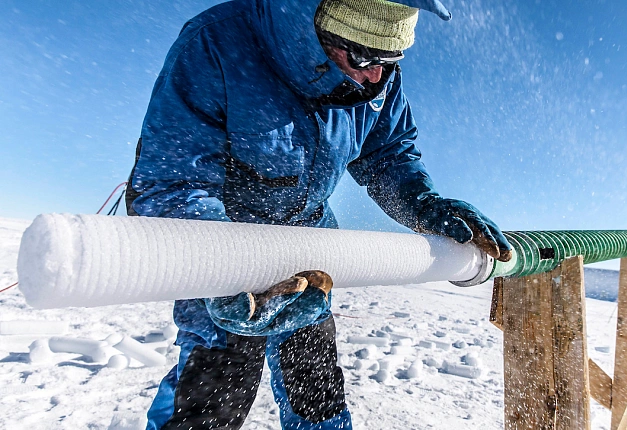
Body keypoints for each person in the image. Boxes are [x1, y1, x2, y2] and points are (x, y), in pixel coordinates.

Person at [126, 0, 512, 428]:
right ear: (315, 29)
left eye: (390, 60)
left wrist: (423, 203)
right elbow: (174, 179)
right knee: (212, 396)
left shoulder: (378, 81)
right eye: (362, 57)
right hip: (221, 248)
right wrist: (221, 265)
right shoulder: (216, 43)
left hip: (311, 252)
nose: (374, 77)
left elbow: (389, 157)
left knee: (316, 388)